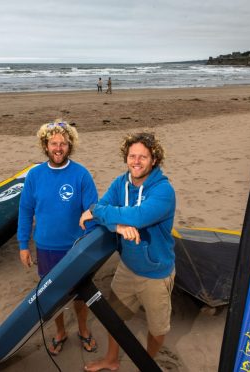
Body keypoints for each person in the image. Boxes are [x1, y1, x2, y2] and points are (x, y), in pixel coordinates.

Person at [79, 132, 176, 371]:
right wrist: (118, 226)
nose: (136, 161)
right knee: (115, 318)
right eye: (132, 156)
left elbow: (138, 216)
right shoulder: (120, 183)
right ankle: (112, 360)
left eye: (143, 157)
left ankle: (146, 362)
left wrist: (99, 212)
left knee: (157, 329)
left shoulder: (163, 191)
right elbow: (103, 206)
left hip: (155, 273)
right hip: (127, 267)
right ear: (126, 157)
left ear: (154, 160)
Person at [17, 119, 99, 355]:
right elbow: (25, 211)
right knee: (53, 295)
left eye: (63, 143)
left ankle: (83, 330)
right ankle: (60, 332)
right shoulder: (34, 175)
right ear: (46, 145)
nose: (58, 148)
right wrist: (24, 245)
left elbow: (92, 211)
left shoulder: (81, 174)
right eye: (54, 143)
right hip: (46, 248)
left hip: (75, 247)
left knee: (80, 295)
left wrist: (89, 245)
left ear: (69, 145)